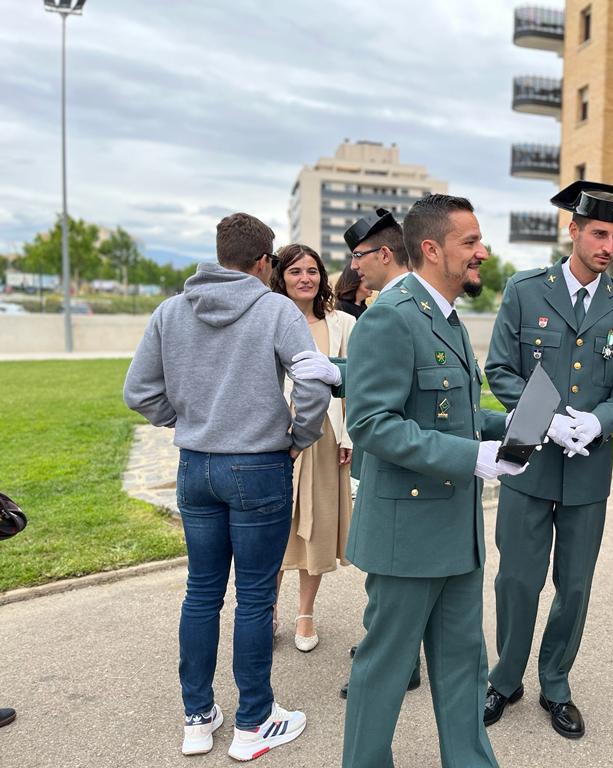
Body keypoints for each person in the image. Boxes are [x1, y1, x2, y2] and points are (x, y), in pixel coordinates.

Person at [123, 213, 331, 760]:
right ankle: (254, 721)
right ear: (265, 263)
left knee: (201, 592)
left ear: (219, 254)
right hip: (258, 465)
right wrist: (300, 435)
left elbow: (139, 392)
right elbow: (312, 380)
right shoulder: (275, 308)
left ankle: (197, 718)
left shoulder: (171, 310)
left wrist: (187, 422)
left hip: (196, 465)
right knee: (255, 597)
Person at [340, 194, 526, 768]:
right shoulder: (391, 317)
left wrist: (516, 425)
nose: (482, 252)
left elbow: (452, 416)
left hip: (455, 532)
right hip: (406, 532)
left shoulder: (443, 315)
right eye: (469, 242)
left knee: (464, 664)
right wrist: (473, 456)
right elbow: (371, 423)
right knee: (386, 668)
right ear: (430, 248)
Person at [482, 180, 613, 740]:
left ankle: (556, 683)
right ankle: (505, 679)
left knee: (574, 586)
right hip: (529, 463)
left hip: (588, 468)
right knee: (517, 582)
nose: (608, 246)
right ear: (572, 230)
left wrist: (601, 421)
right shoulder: (526, 291)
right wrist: (544, 416)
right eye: (598, 233)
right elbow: (500, 369)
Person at [333, 208, 423, 700]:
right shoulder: (398, 303)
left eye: (359, 257)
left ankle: (390, 662)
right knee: (384, 570)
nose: (354, 269)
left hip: (394, 455)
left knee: (388, 572)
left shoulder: (394, 308)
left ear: (384, 254)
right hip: (389, 454)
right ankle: (393, 652)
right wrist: (334, 370)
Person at [269, 244, 357, 653]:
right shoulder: (267, 319)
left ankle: (305, 613)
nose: (305, 278)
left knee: (317, 529)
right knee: (273, 528)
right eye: (294, 272)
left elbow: (354, 387)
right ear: (280, 277)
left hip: (325, 438)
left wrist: (349, 436)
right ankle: (266, 610)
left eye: (312, 271)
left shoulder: (341, 323)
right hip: (275, 437)